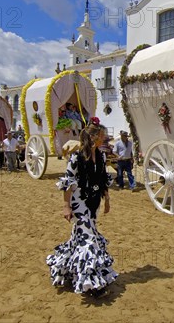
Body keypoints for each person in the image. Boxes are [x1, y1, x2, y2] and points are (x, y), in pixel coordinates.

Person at [46, 123, 117, 298]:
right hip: (79, 202)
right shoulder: (76, 157)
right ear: (93, 137)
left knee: (80, 237)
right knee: (89, 239)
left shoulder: (100, 156)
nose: (104, 138)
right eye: (102, 135)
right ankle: (92, 285)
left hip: (94, 202)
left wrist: (107, 200)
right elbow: (68, 182)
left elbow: (102, 179)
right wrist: (66, 206)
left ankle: (66, 269)